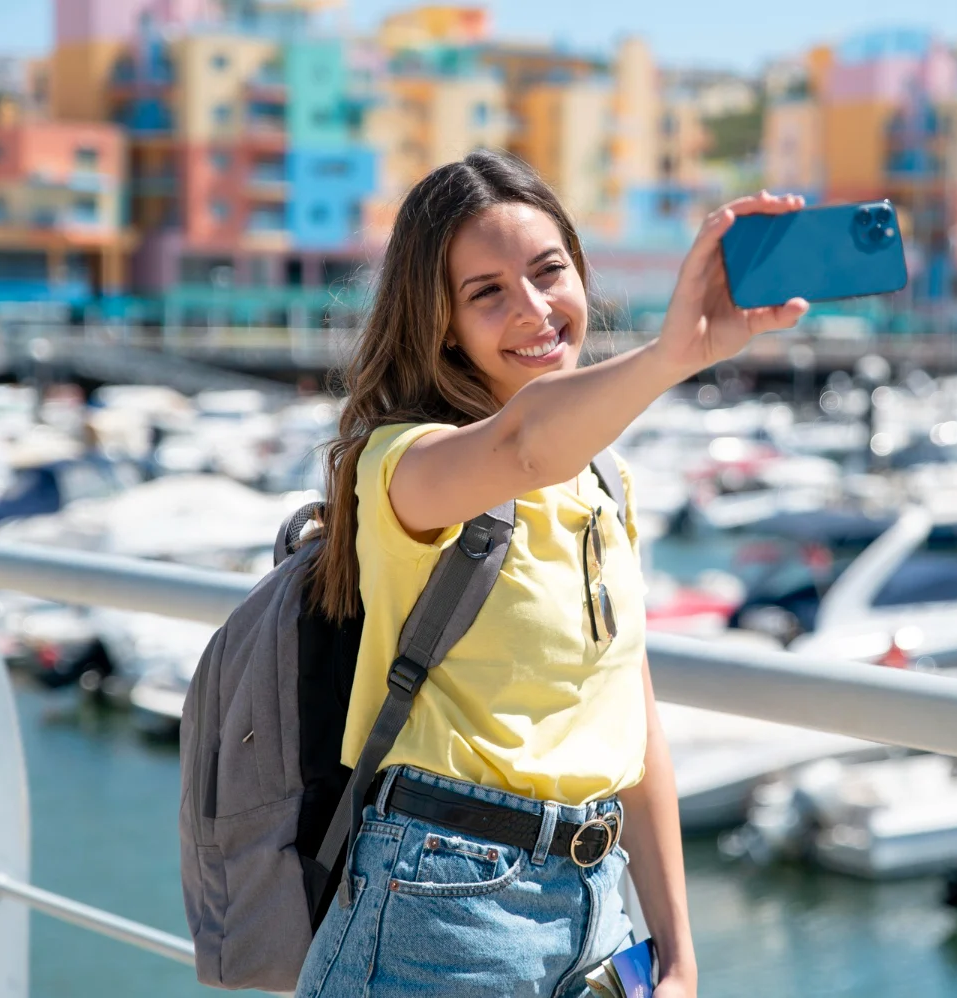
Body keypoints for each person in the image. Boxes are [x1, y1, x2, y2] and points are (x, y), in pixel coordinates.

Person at [297, 150, 808, 998]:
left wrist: (678, 957)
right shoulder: (403, 465)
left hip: (597, 911)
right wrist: (672, 355)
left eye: (549, 272)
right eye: (486, 292)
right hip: (440, 905)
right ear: (439, 324)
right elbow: (523, 441)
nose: (535, 310)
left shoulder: (605, 481)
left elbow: (634, 732)